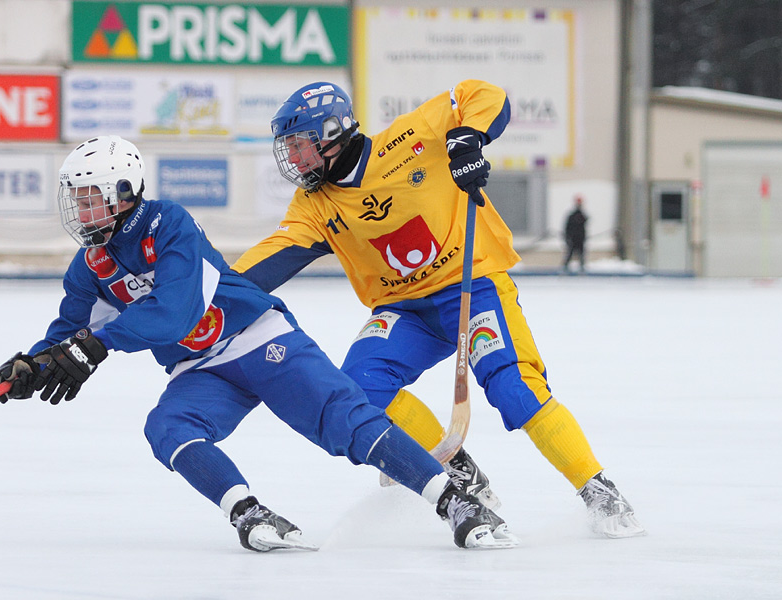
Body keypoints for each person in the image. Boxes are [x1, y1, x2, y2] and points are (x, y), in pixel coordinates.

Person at [0, 135, 520, 552]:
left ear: (123, 194)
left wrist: (98, 345)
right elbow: (69, 331)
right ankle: (248, 513)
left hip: (255, 337)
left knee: (346, 423)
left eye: (89, 200)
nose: (79, 212)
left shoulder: (168, 223)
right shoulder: (90, 266)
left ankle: (455, 502)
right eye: (76, 201)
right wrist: (34, 365)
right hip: (200, 370)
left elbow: (175, 311)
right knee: (166, 428)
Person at [233, 81, 645, 538]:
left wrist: (468, 136)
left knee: (514, 386)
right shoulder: (314, 204)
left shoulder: (413, 135)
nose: (295, 160)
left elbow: (484, 94)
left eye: (302, 146)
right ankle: (460, 468)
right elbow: (272, 255)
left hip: (471, 286)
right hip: (404, 311)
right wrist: (208, 290)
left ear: (334, 132)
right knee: (360, 390)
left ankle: (596, 486)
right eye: (289, 148)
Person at [563, 195, 588, 272]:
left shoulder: (582, 216)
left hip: (580, 239)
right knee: (570, 254)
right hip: (573, 239)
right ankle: (565, 268)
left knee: (581, 255)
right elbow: (568, 228)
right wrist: (567, 237)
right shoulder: (572, 216)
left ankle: (581, 267)